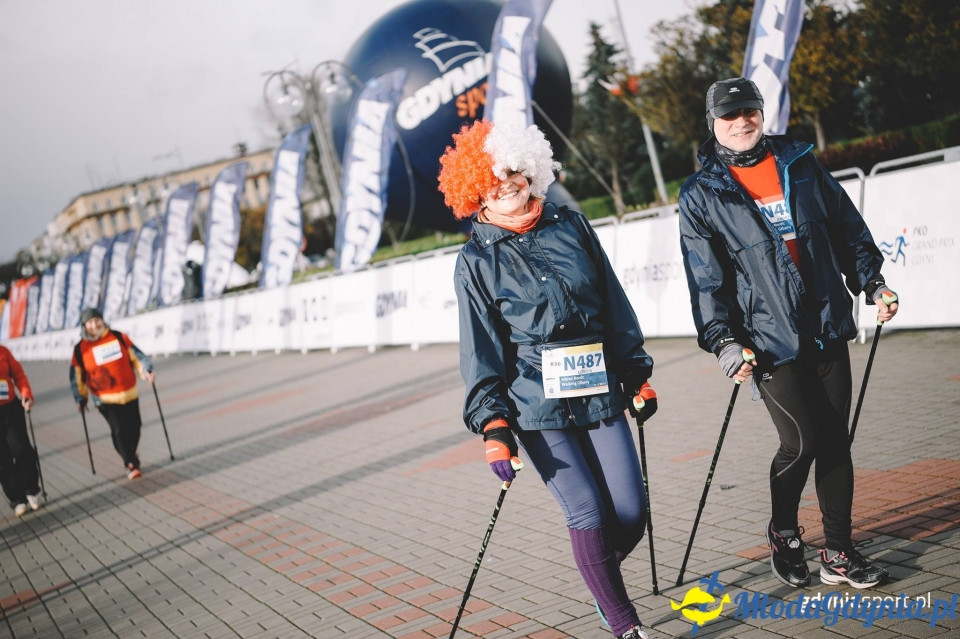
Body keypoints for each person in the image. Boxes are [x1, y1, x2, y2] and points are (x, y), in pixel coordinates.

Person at [438, 119, 659, 639]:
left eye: (514, 170)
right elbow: (480, 348)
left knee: (629, 512)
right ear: (474, 188)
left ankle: (600, 576)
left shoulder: (571, 225)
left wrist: (635, 374)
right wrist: (493, 426)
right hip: (533, 402)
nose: (506, 183)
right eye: (492, 178)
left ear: (530, 168)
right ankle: (623, 622)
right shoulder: (475, 260)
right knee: (585, 510)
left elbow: (613, 305)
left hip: (598, 384)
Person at [678, 77, 899, 590]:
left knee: (836, 443)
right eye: (729, 116)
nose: (741, 123)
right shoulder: (701, 194)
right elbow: (706, 279)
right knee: (801, 441)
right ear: (712, 124)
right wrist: (724, 342)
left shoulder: (799, 163)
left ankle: (839, 554)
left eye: (749, 111)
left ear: (761, 112)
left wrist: (873, 283)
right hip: (767, 339)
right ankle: (783, 531)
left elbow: (846, 227)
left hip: (823, 323)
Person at [69, 308, 156, 480]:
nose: (95, 325)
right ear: (84, 326)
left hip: (129, 392)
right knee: (119, 430)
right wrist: (80, 398)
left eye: (97, 320)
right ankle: (130, 463)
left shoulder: (118, 337)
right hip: (104, 398)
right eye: (90, 322)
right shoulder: (80, 349)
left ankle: (130, 453)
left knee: (135, 427)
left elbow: (136, 357)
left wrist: (147, 371)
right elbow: (77, 376)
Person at [0, 345, 41, 517]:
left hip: (10, 407)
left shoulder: (3, 351)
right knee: (2, 459)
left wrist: (26, 393)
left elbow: (18, 374)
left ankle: (32, 489)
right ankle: (17, 498)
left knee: (22, 448)